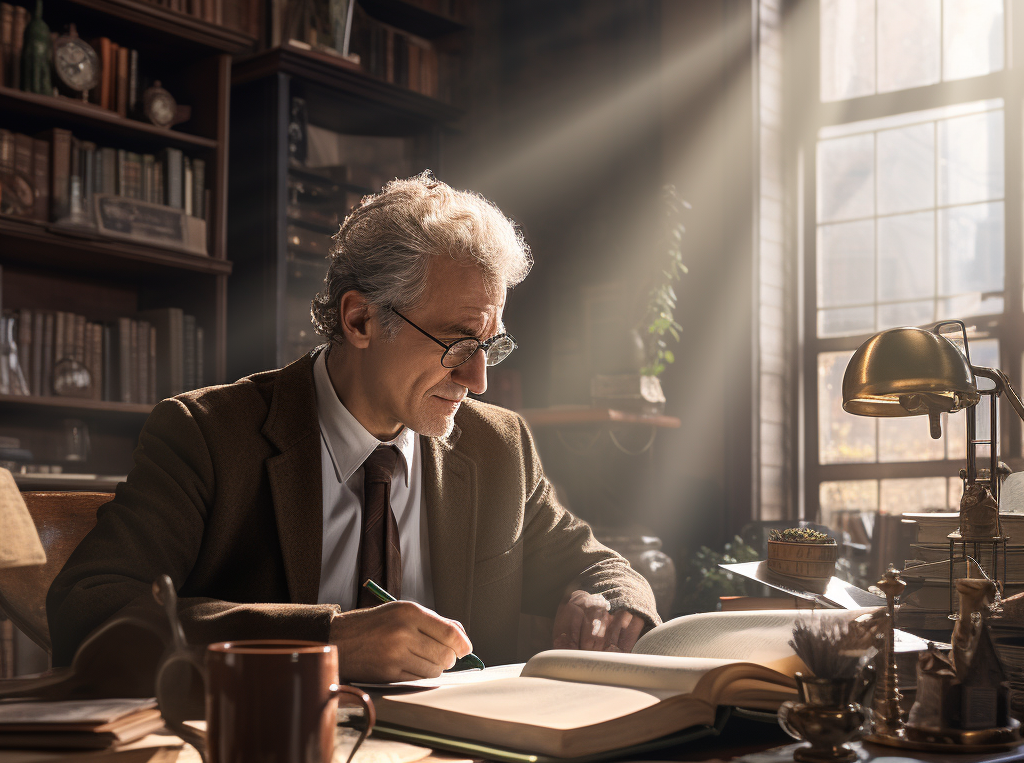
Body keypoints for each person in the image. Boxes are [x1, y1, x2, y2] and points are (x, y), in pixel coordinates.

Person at [48, 174, 659, 682]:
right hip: (260, 756)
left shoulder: (498, 445)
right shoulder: (207, 435)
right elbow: (91, 609)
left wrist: (611, 603)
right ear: (361, 319)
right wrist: (326, 640)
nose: (478, 380)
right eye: (456, 344)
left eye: (490, 347)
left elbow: (599, 566)